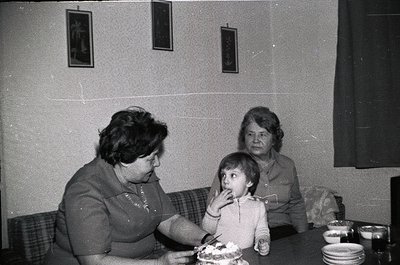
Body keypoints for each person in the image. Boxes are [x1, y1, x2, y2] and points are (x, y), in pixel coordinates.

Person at [45, 106, 214, 265]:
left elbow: (170, 221)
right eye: (151, 158)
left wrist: (207, 240)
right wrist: (157, 263)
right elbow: (95, 261)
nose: (157, 163)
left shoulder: (142, 175)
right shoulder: (85, 189)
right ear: (126, 159)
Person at [207, 106, 308, 240]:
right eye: (250, 134)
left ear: (274, 139)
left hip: (282, 231)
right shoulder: (232, 166)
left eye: (262, 134)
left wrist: (304, 238)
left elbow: (296, 204)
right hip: (244, 233)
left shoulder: (287, 165)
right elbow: (213, 204)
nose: (255, 140)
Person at [202, 152, 270, 255]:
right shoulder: (217, 203)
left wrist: (263, 242)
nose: (225, 180)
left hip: (244, 257)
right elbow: (206, 231)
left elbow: (262, 231)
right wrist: (214, 208)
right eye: (223, 175)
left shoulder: (258, 207)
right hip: (218, 257)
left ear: (249, 182)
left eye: (233, 175)